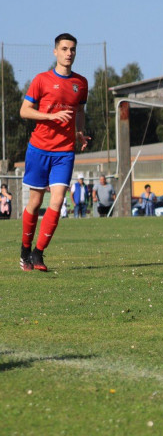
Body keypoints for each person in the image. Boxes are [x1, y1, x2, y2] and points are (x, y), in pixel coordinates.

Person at [18, 33, 90, 271]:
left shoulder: (81, 83)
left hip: (64, 151)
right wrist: (50, 116)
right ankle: (25, 251)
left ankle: (38, 254)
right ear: (55, 52)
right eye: (64, 49)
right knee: (36, 202)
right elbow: (25, 111)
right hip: (39, 148)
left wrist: (79, 132)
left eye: (72, 49)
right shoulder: (42, 80)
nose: (69, 53)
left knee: (58, 200)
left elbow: (79, 112)